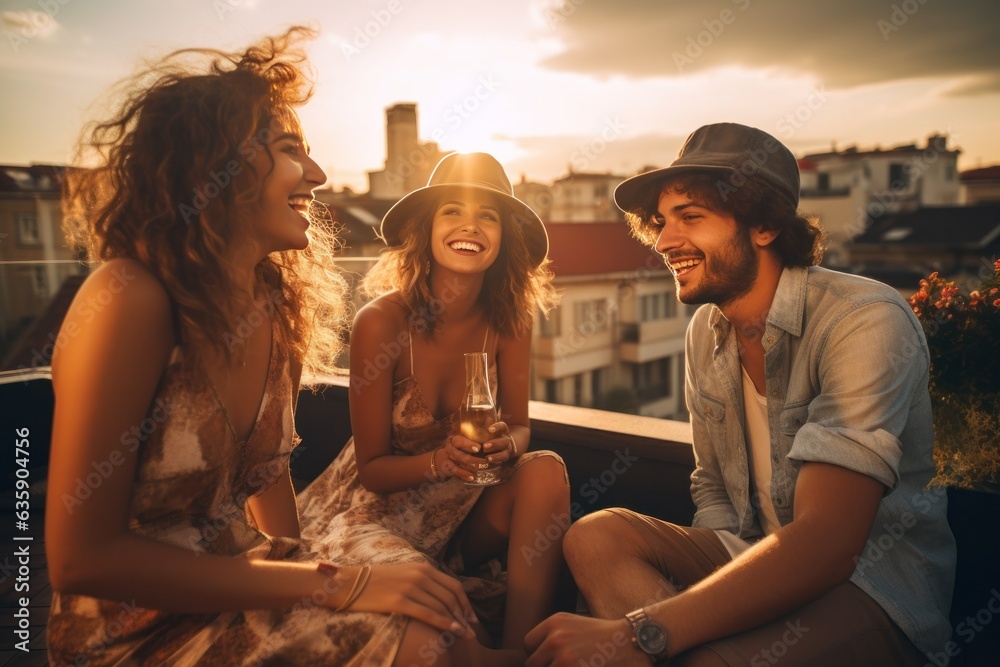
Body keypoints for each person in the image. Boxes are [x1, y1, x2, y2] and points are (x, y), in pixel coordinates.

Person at [45, 28, 510, 667]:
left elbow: (270, 488)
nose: (317, 176)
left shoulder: (272, 307)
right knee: (425, 642)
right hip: (134, 634)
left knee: (439, 614)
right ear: (216, 164)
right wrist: (338, 584)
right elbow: (80, 559)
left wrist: (316, 573)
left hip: (247, 578)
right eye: (293, 149)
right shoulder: (129, 298)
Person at [525, 123, 956, 666]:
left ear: (766, 225)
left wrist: (643, 632)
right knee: (593, 536)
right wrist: (710, 608)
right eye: (661, 223)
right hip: (750, 551)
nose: (663, 242)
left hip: (870, 588)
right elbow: (712, 489)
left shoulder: (863, 320)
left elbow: (827, 542)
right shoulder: (706, 330)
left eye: (691, 217)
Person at [297, 151, 570, 657]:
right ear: (426, 229)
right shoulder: (381, 323)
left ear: (504, 236)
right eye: (453, 211)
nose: (471, 225)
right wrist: (442, 460)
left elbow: (521, 425)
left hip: (461, 516)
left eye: (488, 215)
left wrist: (506, 446)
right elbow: (373, 470)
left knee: (545, 469)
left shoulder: (511, 319)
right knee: (429, 595)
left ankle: (521, 649)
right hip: (370, 518)